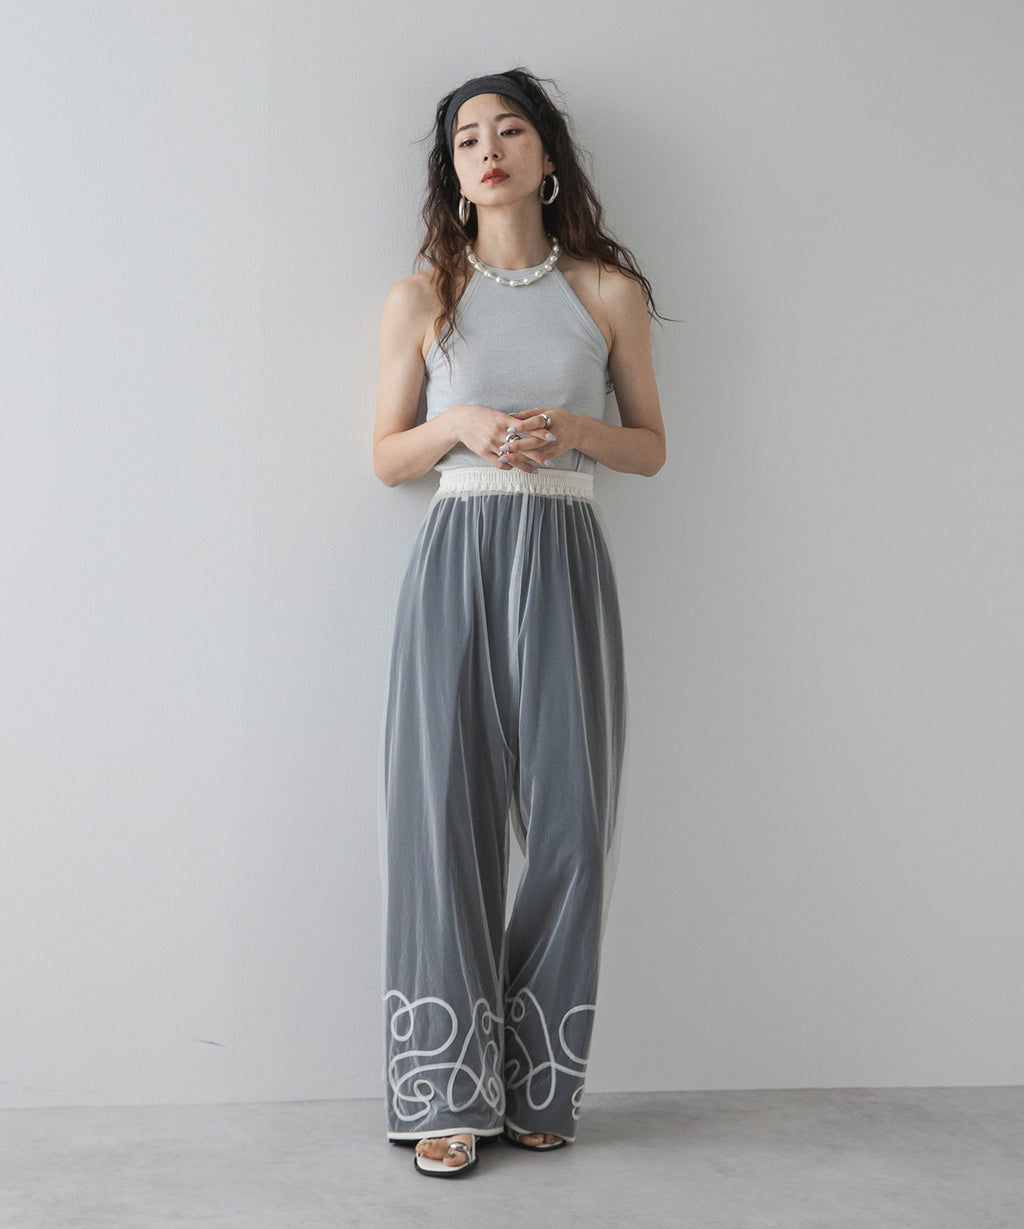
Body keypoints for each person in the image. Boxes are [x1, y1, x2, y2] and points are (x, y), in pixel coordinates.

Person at [373, 68, 666, 1178]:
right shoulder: (422, 298)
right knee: (441, 818)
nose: (487, 150)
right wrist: (460, 423)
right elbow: (385, 456)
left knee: (572, 823)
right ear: (453, 173)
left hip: (566, 554)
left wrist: (575, 432)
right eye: (466, 139)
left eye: (509, 131)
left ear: (547, 156)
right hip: (456, 554)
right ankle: (444, 1089)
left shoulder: (605, 291)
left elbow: (650, 446)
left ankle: (542, 1081)